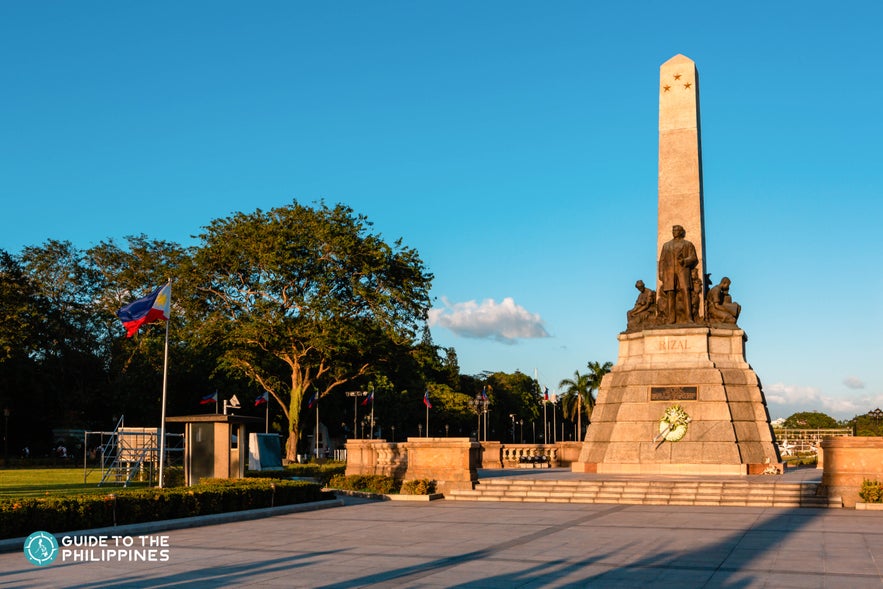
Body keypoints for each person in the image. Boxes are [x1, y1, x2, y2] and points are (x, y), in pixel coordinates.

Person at [658, 225, 698, 323]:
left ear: (681, 232)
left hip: (683, 271)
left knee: (686, 292)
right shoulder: (666, 245)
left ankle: (689, 317)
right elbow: (662, 260)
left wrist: (684, 260)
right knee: (670, 294)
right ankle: (671, 318)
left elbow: (693, 258)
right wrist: (661, 272)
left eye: (676, 230)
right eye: (673, 230)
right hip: (669, 273)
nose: (674, 232)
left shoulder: (688, 244)